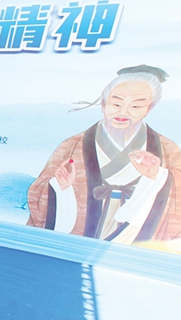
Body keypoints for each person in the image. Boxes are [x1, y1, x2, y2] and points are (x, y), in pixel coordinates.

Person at [26, 65, 181, 246]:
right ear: (103, 104)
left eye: (136, 106)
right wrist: (62, 188)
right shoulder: (72, 145)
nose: (123, 112)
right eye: (116, 104)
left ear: (149, 108)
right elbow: (40, 190)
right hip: (82, 228)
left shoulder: (166, 149)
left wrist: (158, 176)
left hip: (134, 233)